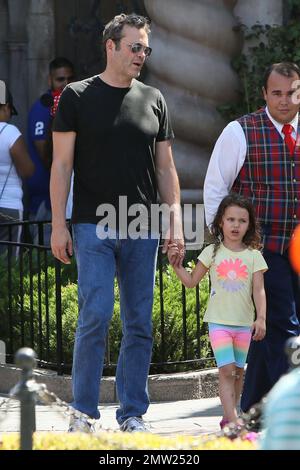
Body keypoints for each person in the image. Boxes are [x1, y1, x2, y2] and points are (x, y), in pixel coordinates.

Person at [50, 13, 184, 433]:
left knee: (139, 322)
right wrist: (58, 224)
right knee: (96, 314)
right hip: (93, 224)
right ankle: (83, 413)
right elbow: (61, 164)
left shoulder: (154, 98)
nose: (141, 55)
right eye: (135, 47)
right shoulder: (75, 95)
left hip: (143, 223)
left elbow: (166, 169)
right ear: (110, 46)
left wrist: (174, 222)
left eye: (146, 48)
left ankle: (131, 414)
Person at [203, 62, 300, 415]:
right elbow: (216, 188)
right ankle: (287, 413)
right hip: (262, 250)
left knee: (266, 334)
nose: (285, 101)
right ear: (264, 94)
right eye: (277, 93)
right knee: (285, 326)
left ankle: (252, 407)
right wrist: (225, 247)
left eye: (292, 93)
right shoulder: (239, 131)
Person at [168, 194, 267, 427]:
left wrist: (261, 318)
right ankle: (234, 423)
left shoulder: (254, 256)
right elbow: (191, 282)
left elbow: (259, 291)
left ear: (249, 225)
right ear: (221, 222)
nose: (235, 225)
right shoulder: (211, 252)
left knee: (239, 373)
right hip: (219, 323)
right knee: (226, 371)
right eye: (230, 219)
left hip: (244, 324)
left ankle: (228, 416)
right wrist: (177, 267)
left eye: (242, 221)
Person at [27, 57, 74, 243]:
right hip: (44, 201)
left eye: (70, 79)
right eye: (60, 79)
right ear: (50, 80)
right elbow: (46, 157)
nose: (66, 84)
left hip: (71, 201)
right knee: (45, 263)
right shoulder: (42, 108)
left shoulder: (74, 105)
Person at [0, 80, 34, 254]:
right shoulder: (10, 132)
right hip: (8, 206)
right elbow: (27, 170)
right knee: (9, 265)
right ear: (6, 107)